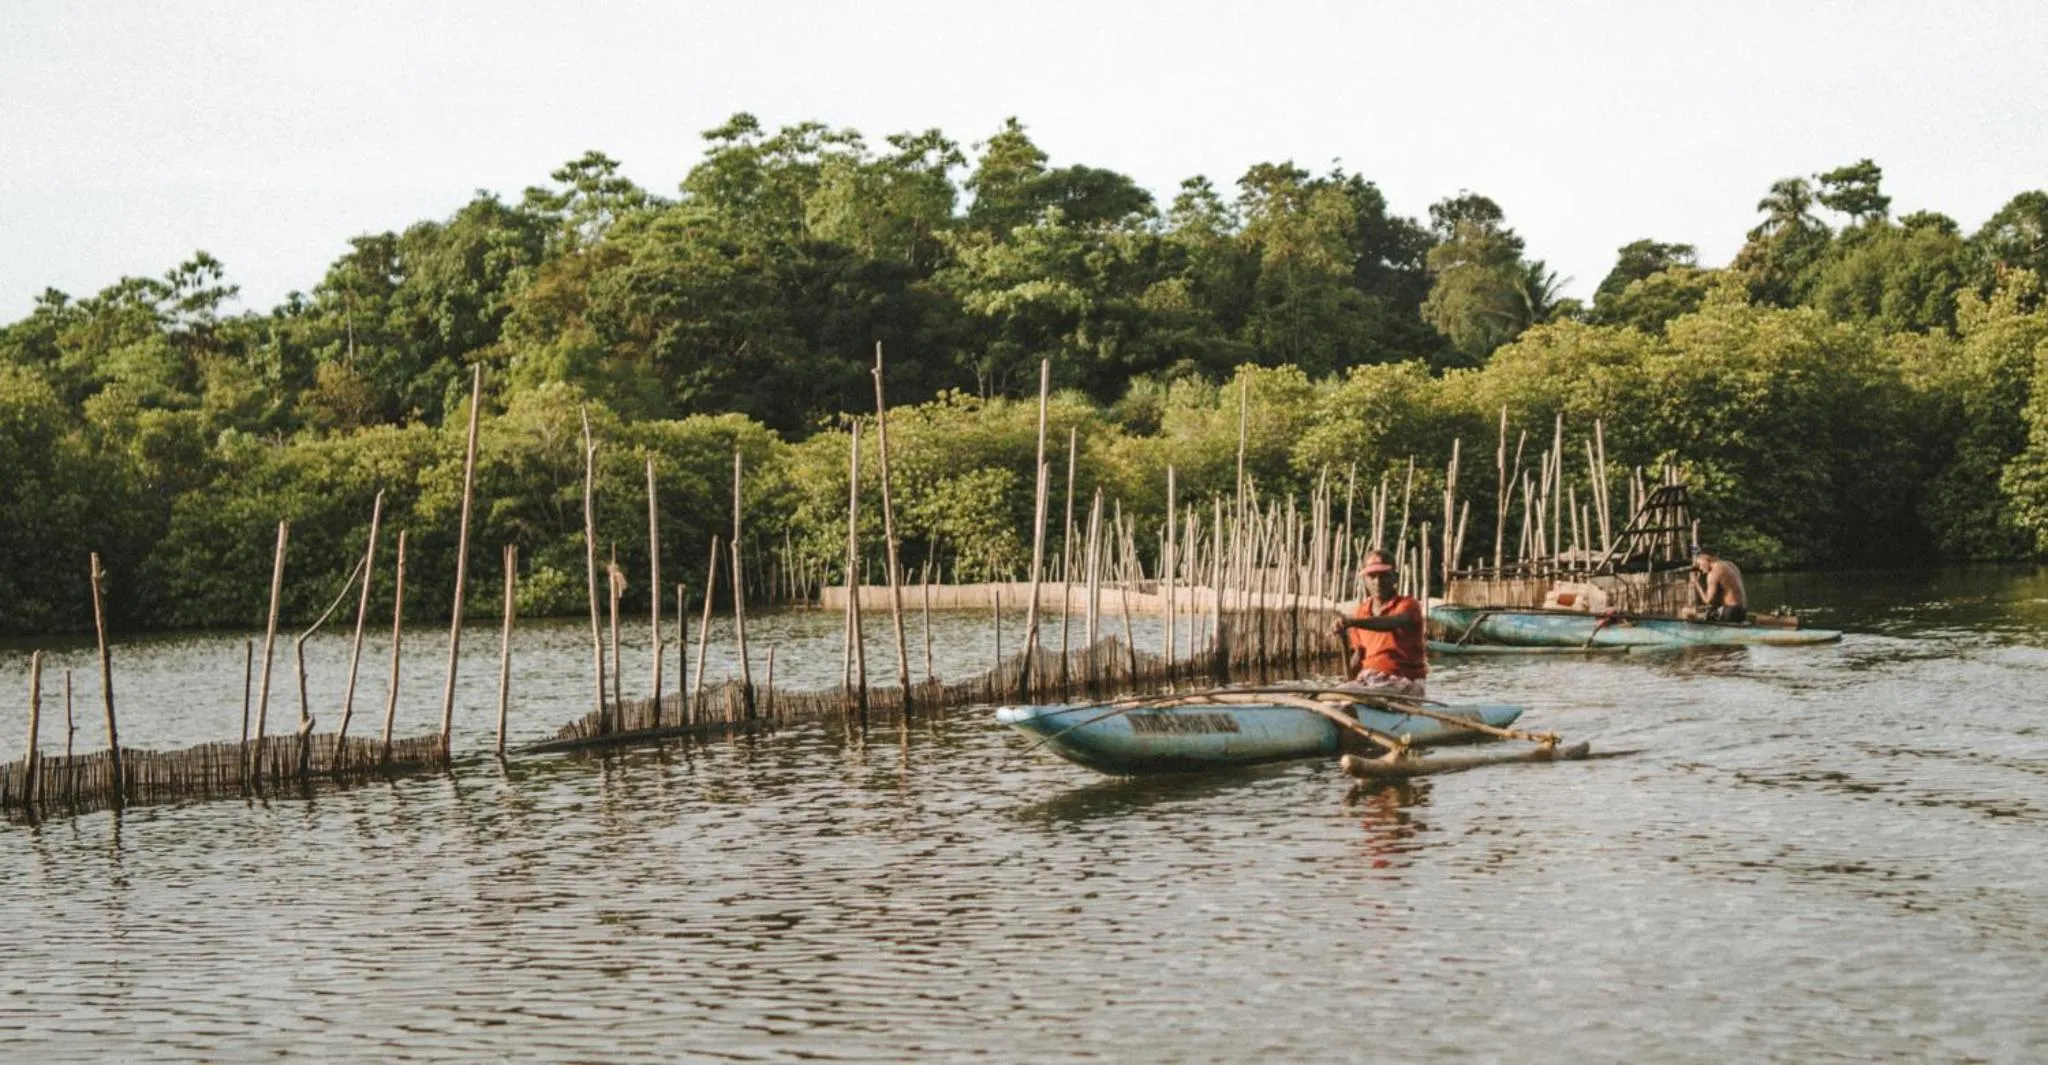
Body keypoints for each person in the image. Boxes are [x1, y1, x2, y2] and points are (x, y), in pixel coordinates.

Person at [1331, 550, 1428, 696]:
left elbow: (1392, 622)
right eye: (1372, 576)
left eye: (1383, 576)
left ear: (1395, 578)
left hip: (1405, 679)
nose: (1377, 582)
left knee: (1351, 694)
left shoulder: (1408, 605)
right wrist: (1348, 679)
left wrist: (1352, 622)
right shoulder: (1361, 611)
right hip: (1369, 678)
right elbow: (1359, 654)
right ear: (1365, 579)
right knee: (1335, 692)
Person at [1687, 546, 1747, 623]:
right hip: (1743, 610)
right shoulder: (1730, 564)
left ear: (1706, 560)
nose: (1700, 568)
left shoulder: (1714, 573)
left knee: (1689, 614)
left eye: (1700, 564)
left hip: (1730, 612)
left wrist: (1696, 583)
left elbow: (1707, 600)